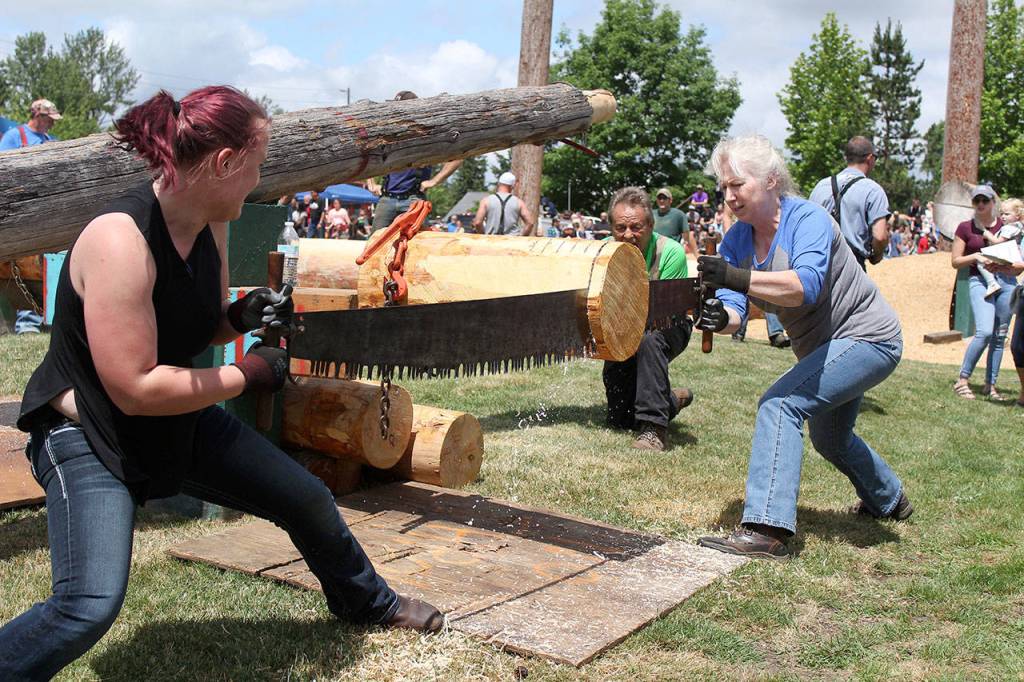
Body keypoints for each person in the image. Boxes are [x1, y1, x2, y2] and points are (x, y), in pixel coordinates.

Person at [0, 87, 442, 681]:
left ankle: (367, 603)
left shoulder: (211, 222)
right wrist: (247, 374)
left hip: (169, 417)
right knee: (86, 606)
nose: (259, 180)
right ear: (224, 163)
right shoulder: (118, 240)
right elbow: (134, 387)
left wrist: (239, 316)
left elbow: (194, 329)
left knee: (306, 498)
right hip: (88, 429)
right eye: (256, 166)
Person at [694, 135, 910, 560]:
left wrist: (734, 278)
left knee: (780, 404)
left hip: (871, 338)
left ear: (771, 179)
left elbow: (804, 288)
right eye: (724, 187)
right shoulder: (738, 239)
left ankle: (767, 529)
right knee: (830, 438)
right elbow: (738, 310)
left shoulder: (807, 219)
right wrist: (722, 319)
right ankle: (889, 498)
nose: (729, 195)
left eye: (738, 184)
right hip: (825, 348)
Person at [603, 186, 694, 451]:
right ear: (611, 227)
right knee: (619, 419)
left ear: (651, 225)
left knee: (650, 340)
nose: (628, 235)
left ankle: (654, 428)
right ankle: (669, 401)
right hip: (624, 325)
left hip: (668, 323)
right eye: (620, 228)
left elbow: (662, 314)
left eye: (636, 228)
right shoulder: (605, 251)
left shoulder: (670, 252)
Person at [1, 98, 63, 334]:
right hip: (19, 214)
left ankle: (41, 318)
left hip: (46, 214)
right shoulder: (14, 138)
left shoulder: (51, 142)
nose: (52, 124)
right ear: (38, 116)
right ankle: (26, 322)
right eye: (49, 119)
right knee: (24, 269)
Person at [951, 185, 1017, 401]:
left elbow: (1017, 257)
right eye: (977, 200)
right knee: (985, 331)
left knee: (999, 337)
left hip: (1006, 282)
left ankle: (991, 385)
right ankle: (962, 380)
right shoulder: (965, 228)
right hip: (978, 281)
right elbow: (955, 261)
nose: (980, 204)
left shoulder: (1005, 225)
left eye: (985, 200)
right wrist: (976, 257)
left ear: (992, 203)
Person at [366, 91, 462, 233]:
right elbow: (369, 155)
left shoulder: (427, 137)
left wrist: (434, 181)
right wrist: (371, 183)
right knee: (375, 242)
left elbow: (458, 157)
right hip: (387, 198)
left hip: (413, 199)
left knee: (420, 242)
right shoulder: (390, 136)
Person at [808, 136, 891, 271]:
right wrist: (876, 255)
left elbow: (808, 228)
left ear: (846, 158)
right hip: (852, 267)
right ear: (870, 158)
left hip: (819, 266)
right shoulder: (873, 190)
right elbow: (880, 236)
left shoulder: (820, 186)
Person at [974, 198, 1023, 298]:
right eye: (1002, 214)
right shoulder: (1016, 226)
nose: (1003, 217)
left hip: (1007, 254)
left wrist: (986, 233)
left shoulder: (1010, 227)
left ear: (1017, 215)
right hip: (1010, 256)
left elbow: (998, 241)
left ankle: (992, 283)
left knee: (980, 260)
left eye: (1007, 214)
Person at [472, 171, 535, 236]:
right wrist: (522, 238)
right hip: (512, 242)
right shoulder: (519, 202)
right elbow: (530, 223)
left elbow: (477, 222)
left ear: (499, 183)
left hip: (491, 241)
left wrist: (483, 235)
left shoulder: (486, 201)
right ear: (512, 186)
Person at [653, 188, 699, 257]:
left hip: (671, 254)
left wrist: (697, 256)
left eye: (664, 198)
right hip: (653, 253)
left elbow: (688, 236)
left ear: (670, 200)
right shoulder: (651, 214)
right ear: (657, 200)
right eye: (659, 198)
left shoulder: (678, 214)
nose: (662, 200)